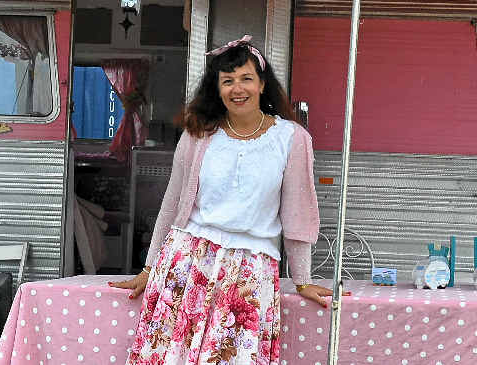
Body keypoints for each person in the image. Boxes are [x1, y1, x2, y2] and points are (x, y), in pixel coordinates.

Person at [112, 34, 331, 365]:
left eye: (246, 78)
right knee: (170, 357)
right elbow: (172, 203)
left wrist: (302, 281)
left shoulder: (291, 139)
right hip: (188, 262)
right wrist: (150, 266)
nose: (237, 88)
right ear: (217, 89)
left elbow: (297, 214)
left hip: (251, 269)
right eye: (227, 81)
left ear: (261, 84)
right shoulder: (198, 134)